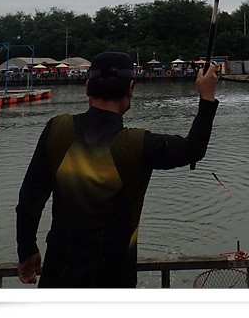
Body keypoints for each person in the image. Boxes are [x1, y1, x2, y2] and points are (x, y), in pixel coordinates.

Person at [16, 51, 219, 288]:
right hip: (113, 282)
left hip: (57, 278)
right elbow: (193, 148)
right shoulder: (136, 144)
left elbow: (29, 201)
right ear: (130, 88)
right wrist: (207, 97)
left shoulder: (58, 129)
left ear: (87, 87)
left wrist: (27, 251)